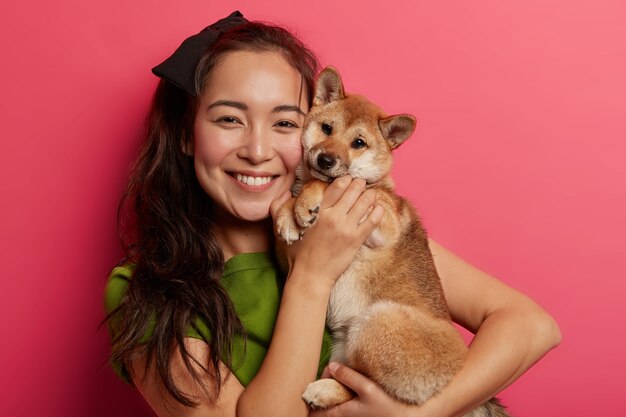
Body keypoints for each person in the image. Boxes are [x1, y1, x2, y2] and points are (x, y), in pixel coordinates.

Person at [104, 11, 561, 417]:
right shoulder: (145, 296)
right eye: (229, 119)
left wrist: (422, 413)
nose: (258, 151)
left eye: (285, 123)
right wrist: (313, 273)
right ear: (186, 135)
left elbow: (531, 325)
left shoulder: (355, 227)